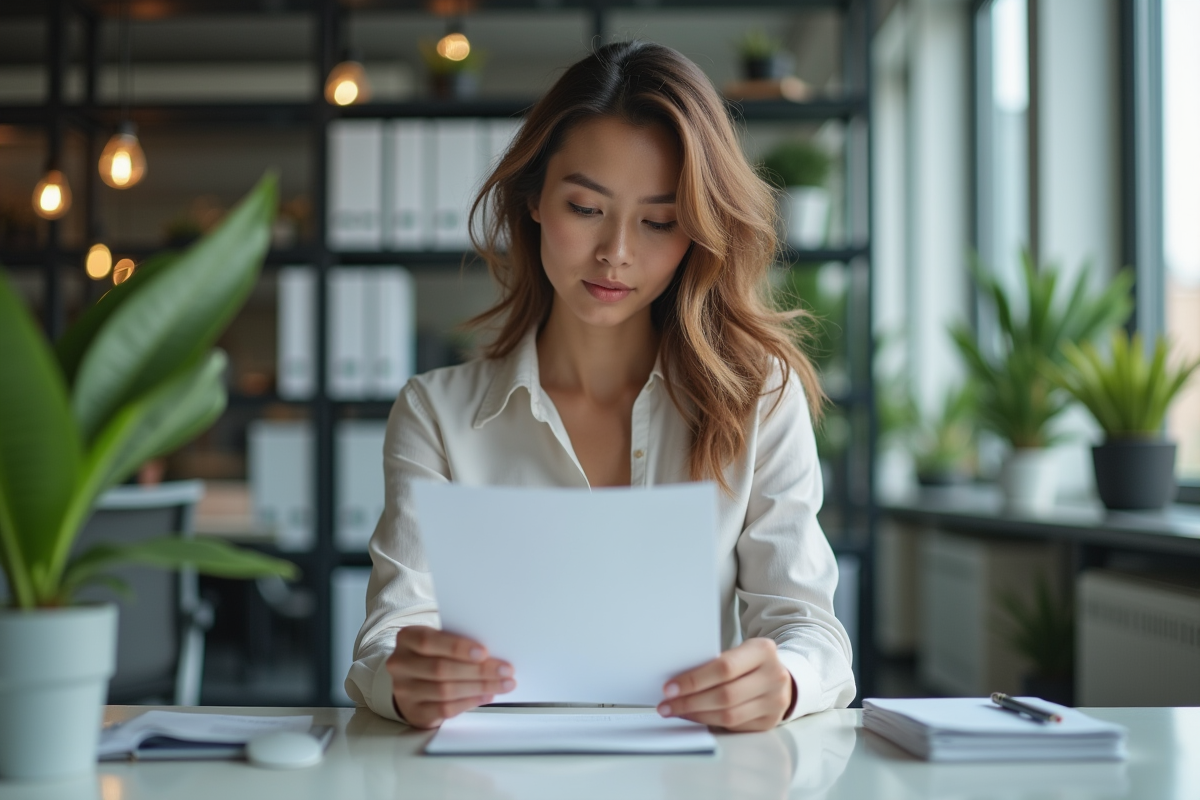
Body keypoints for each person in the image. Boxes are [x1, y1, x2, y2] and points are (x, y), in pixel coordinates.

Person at [345, 40, 855, 732]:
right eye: (586, 209)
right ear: (533, 200)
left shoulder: (758, 399)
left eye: (658, 221)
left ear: (699, 233)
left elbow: (810, 630)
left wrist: (786, 681)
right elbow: (387, 639)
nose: (617, 251)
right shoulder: (437, 415)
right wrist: (405, 682)